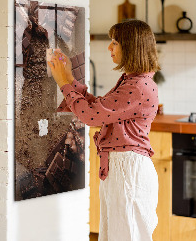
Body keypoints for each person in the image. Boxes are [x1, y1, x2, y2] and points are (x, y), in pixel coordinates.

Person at [47, 19, 160, 241]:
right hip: (122, 169)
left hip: (128, 171)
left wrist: (63, 83)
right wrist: (69, 78)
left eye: (115, 42)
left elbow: (91, 115)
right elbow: (99, 108)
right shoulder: (133, 81)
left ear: (131, 46)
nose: (109, 47)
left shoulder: (137, 86)